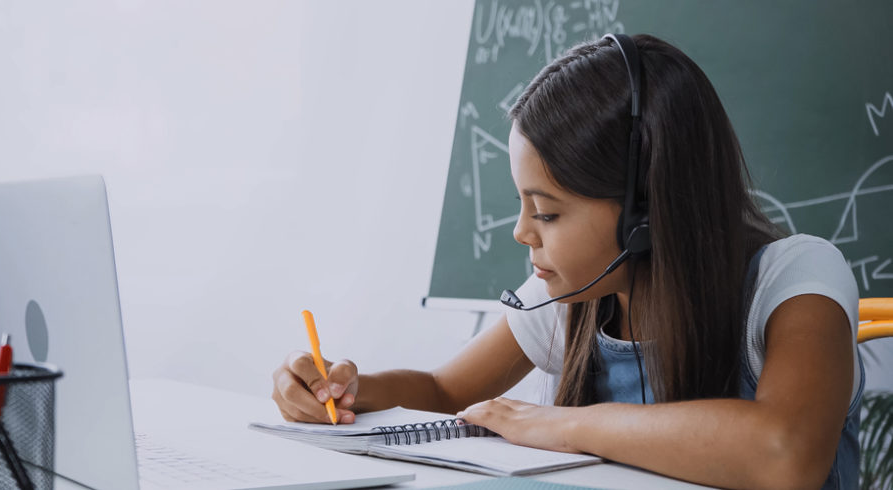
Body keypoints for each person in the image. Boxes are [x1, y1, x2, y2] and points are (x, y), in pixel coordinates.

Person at [271, 34, 863, 489]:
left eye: (547, 213)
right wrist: (344, 391)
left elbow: (787, 452)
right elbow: (441, 388)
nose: (521, 232)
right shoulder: (573, 298)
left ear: (644, 210)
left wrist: (562, 425)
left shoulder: (795, 280)